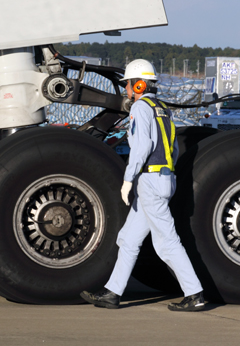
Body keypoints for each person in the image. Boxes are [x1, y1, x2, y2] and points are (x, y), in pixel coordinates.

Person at [80, 59, 205, 312]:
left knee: (167, 243)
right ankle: (112, 293)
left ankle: (195, 294)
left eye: (127, 84)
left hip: (150, 181)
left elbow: (142, 147)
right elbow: (173, 146)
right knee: (128, 239)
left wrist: (128, 180)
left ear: (138, 84)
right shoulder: (162, 109)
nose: (126, 89)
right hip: (162, 179)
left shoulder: (140, 108)